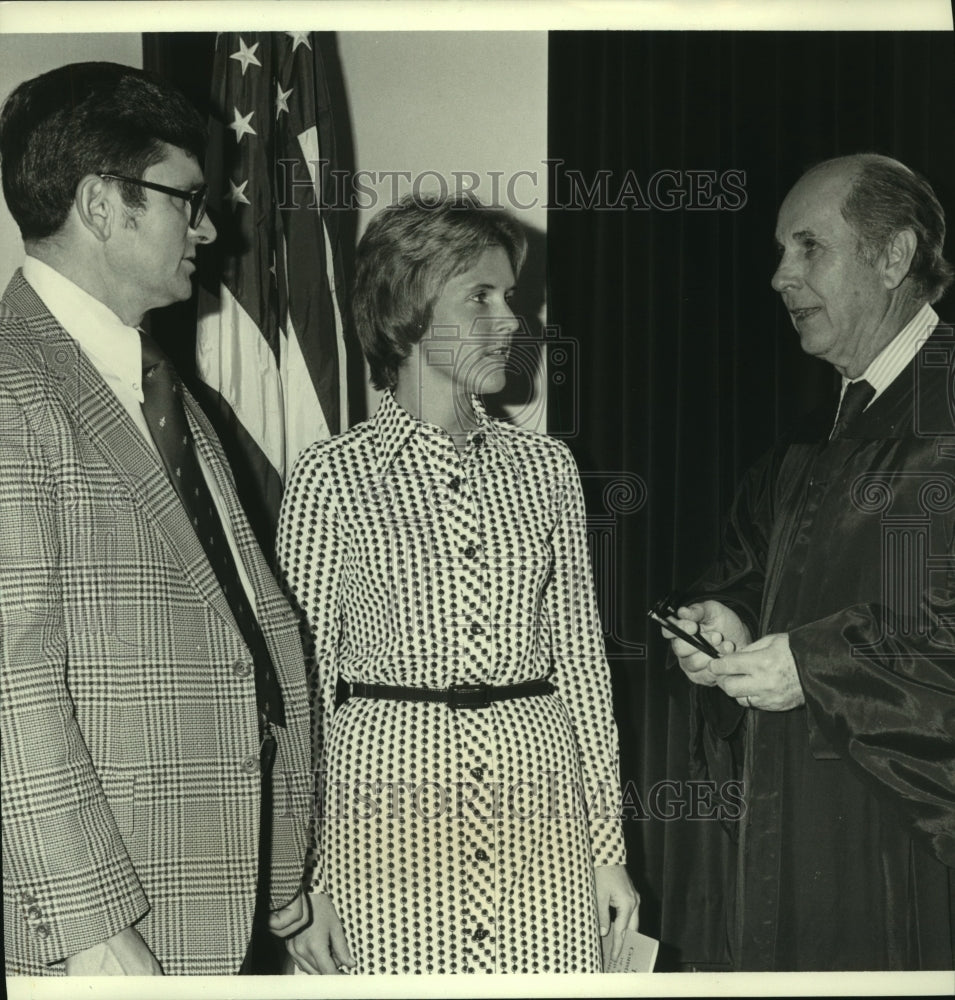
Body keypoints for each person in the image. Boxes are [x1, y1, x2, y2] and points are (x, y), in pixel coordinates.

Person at [0, 62, 314, 976]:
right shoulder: (13, 386)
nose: (210, 228)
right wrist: (93, 926)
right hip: (104, 922)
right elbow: (9, 680)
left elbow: (245, 632)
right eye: (186, 198)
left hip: (221, 889)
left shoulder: (161, 387)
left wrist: (286, 866)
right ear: (105, 203)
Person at [276, 193, 639, 974]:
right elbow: (297, 690)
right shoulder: (331, 476)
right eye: (480, 294)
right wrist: (305, 881)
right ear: (407, 304)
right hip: (381, 815)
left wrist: (606, 849)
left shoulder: (546, 469)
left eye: (511, 296)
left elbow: (581, 667)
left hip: (540, 803)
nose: (512, 321)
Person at [661, 153, 955, 970]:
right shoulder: (819, 427)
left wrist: (816, 664)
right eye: (780, 251)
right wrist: (730, 618)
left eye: (806, 247)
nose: (777, 276)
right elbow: (763, 569)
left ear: (892, 257)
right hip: (801, 808)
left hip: (913, 833)